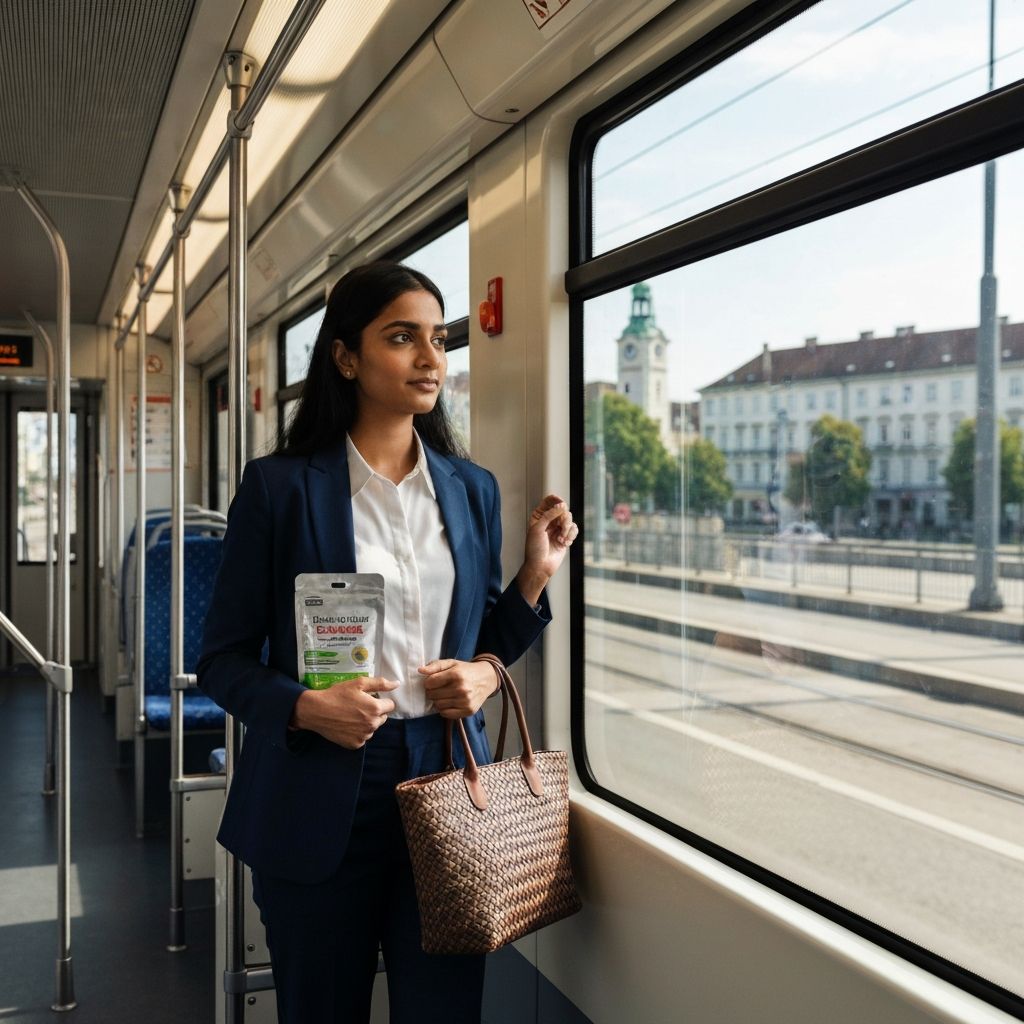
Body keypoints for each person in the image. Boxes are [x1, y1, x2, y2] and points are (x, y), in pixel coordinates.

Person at [196, 260, 576, 1024]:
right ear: (347, 356)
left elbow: (484, 640)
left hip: (444, 774)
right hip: (319, 785)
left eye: (439, 340)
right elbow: (221, 660)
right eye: (403, 338)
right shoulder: (279, 488)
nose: (432, 358)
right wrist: (305, 707)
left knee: (444, 1011)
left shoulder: (470, 489)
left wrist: (522, 602)